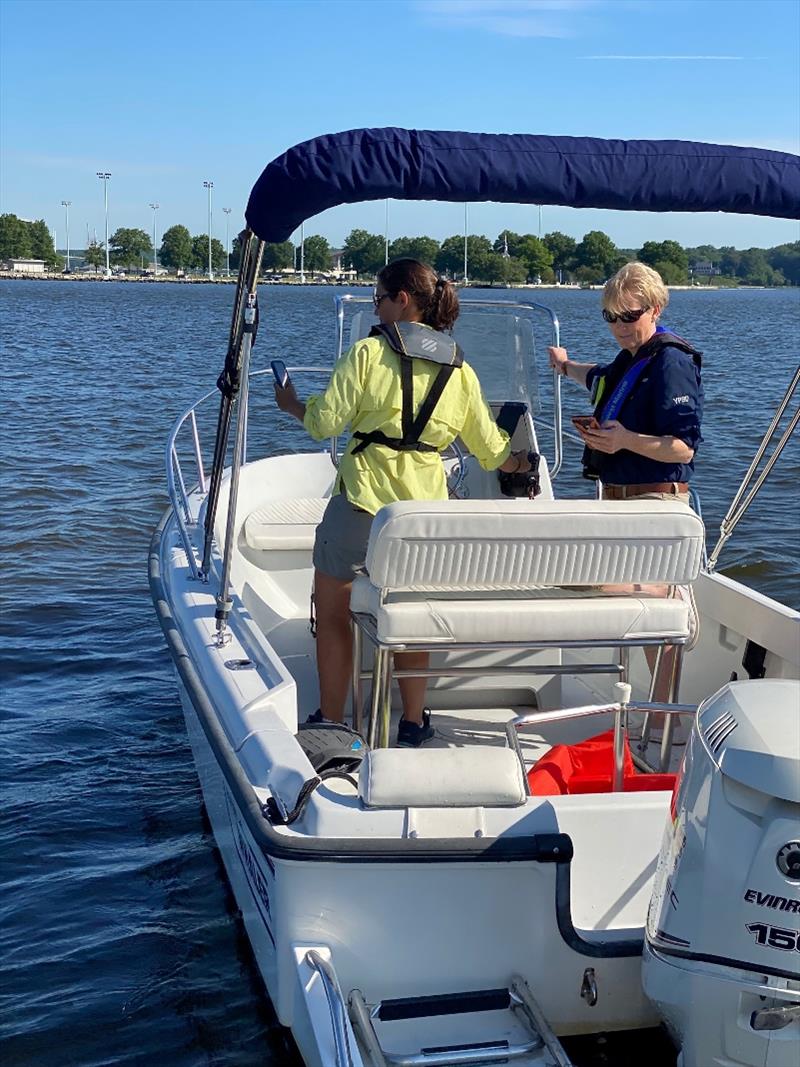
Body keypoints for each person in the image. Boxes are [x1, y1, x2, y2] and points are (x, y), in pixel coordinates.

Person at [274, 258, 531, 746]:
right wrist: (520, 465)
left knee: (333, 614)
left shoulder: (369, 353)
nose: (376, 307)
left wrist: (291, 403)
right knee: (411, 618)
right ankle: (413, 722)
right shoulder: (461, 370)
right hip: (421, 517)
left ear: (402, 300)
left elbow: (323, 423)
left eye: (377, 299)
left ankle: (334, 722)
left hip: (362, 505)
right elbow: (491, 450)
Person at [548, 261, 703, 702]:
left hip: (655, 501)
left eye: (629, 316)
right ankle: (650, 711)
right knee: (634, 608)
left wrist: (625, 441)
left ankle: (660, 717)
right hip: (619, 500)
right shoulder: (630, 359)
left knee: (650, 610)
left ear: (654, 309)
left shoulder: (671, 362)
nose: (619, 327)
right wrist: (565, 366)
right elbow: (598, 377)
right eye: (611, 317)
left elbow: (684, 447)